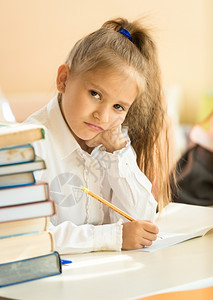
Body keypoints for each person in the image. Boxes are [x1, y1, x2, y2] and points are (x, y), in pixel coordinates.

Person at [25, 17, 173, 253]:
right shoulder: (29, 147)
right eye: (95, 94)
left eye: (118, 107)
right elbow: (30, 237)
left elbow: (142, 220)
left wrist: (118, 154)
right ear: (63, 79)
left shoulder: (113, 142)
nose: (102, 117)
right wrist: (112, 237)